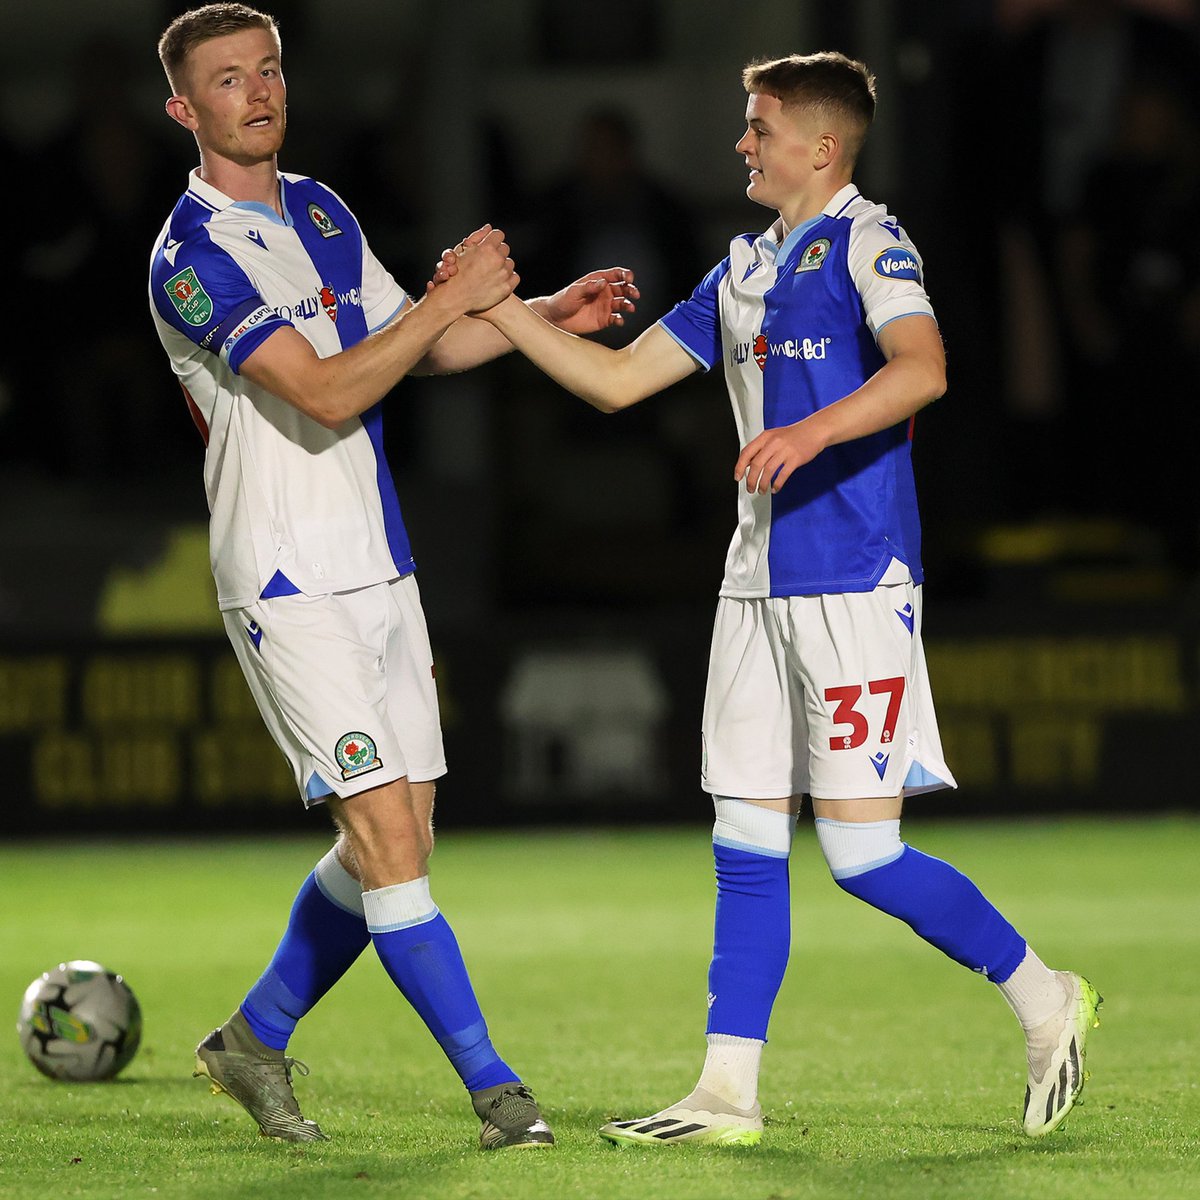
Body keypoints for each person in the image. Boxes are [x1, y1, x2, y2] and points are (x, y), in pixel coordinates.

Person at [454, 51, 1102, 1145]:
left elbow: (923, 367)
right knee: (744, 837)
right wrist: (501, 311)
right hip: (751, 585)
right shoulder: (742, 269)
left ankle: (1047, 997)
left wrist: (806, 430)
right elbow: (615, 382)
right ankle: (726, 1094)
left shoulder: (870, 240)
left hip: (852, 582)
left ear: (821, 146)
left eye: (758, 127)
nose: (742, 144)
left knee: (862, 857)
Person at [148, 3, 636, 1149]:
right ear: (185, 109)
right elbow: (322, 390)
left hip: (378, 564)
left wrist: (524, 320)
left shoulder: (320, 207)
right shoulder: (190, 256)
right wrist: (451, 302)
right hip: (283, 580)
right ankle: (499, 1096)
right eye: (227, 80)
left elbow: (408, 344)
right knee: (389, 845)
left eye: (267, 69)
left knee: (395, 838)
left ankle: (252, 1041)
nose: (257, 92)